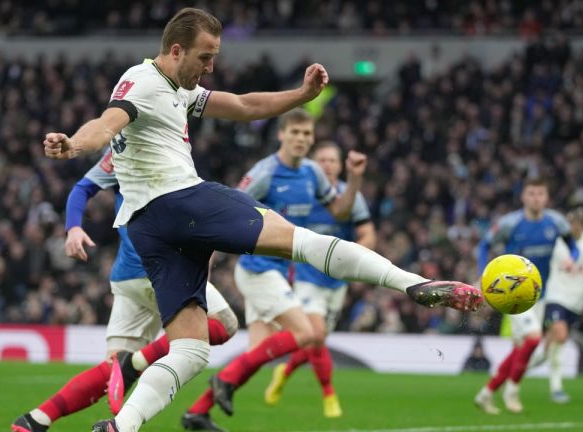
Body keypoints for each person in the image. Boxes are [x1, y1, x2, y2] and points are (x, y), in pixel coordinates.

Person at [42, 8, 482, 432]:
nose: (211, 67)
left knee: (192, 350)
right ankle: (414, 284)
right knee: (302, 241)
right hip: (180, 201)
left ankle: (121, 426)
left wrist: (302, 96)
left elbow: (245, 104)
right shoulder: (140, 83)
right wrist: (74, 144)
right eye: (205, 57)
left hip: (149, 229)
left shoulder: (176, 88)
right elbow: (106, 123)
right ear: (175, 50)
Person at [11, 149, 238, 432]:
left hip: (127, 275)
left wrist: (73, 228)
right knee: (222, 324)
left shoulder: (120, 149)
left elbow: (82, 188)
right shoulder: (158, 145)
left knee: (112, 370)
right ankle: (137, 363)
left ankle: (34, 420)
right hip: (162, 269)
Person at [180, 113, 369, 430]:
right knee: (305, 333)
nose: (301, 138)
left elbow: (339, 210)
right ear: (281, 134)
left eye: (306, 133)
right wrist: (207, 260)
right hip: (257, 269)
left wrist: (355, 179)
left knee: (255, 357)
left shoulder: (312, 173)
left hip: (279, 271)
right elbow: (226, 211)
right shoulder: (265, 172)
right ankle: (223, 380)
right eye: (294, 131)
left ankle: (197, 413)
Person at [263, 140, 376, 417]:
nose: (327, 165)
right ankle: (329, 395)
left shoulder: (351, 197)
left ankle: (285, 370)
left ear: (340, 166)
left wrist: (358, 257)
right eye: (322, 160)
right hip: (306, 277)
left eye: (332, 160)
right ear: (313, 165)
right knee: (316, 335)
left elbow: (368, 234)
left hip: (337, 282)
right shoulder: (302, 194)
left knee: (315, 340)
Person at [473, 177, 579, 415]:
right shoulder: (510, 223)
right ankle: (512, 390)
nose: (536, 198)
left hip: (540, 295)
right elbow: (483, 246)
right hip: (514, 297)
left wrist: (572, 257)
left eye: (540, 194)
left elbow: (573, 245)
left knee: (520, 348)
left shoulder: (556, 222)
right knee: (533, 339)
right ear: (523, 197)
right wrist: (484, 276)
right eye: (531, 193)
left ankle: (486, 394)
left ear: (547, 197)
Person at [531, 206, 583, 403]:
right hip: (555, 297)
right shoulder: (557, 242)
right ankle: (556, 388)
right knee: (561, 335)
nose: (573, 226)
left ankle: (519, 368)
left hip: (577, 303)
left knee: (548, 349)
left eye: (577, 223)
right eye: (570, 222)